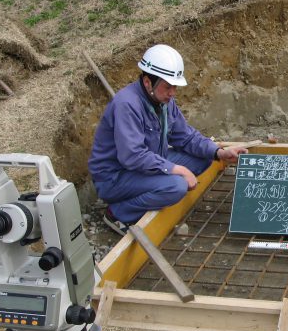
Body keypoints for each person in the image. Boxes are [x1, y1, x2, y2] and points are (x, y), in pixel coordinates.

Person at [88, 44, 247, 234]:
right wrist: (177, 170)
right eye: (168, 86)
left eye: (175, 87)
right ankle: (118, 213)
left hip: (146, 166)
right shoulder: (127, 105)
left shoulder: (163, 101)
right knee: (176, 186)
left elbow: (185, 136)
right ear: (148, 82)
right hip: (115, 177)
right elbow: (132, 156)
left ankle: (149, 194)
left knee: (205, 156)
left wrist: (218, 152)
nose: (173, 93)